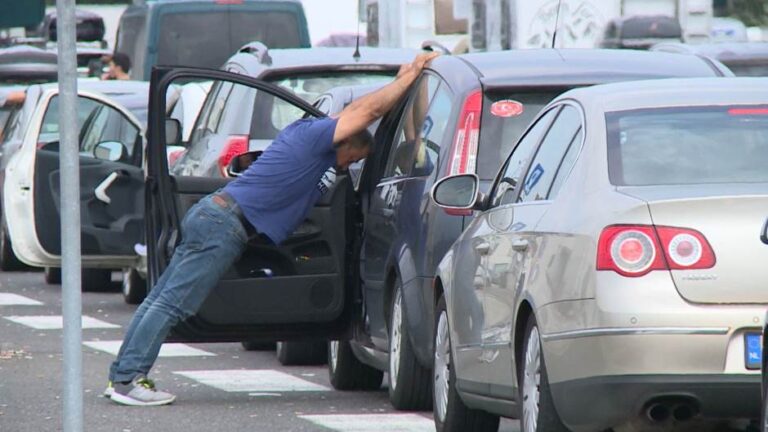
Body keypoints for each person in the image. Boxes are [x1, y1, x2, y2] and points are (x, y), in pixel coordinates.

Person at [105, 51, 440, 407]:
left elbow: (361, 113)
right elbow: (367, 111)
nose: (348, 166)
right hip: (223, 225)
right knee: (173, 304)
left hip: (215, 216)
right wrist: (409, 78)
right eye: (353, 159)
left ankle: (122, 375)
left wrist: (407, 80)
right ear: (343, 140)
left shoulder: (308, 132)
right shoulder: (318, 140)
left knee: (160, 299)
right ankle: (128, 380)